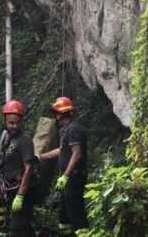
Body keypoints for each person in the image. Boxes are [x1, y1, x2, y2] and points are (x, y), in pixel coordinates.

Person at [38, 97, 89, 237]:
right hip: (68, 179)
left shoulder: (73, 129)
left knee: (75, 211)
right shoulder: (68, 130)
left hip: (73, 178)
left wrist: (66, 176)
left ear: (60, 114)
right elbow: (62, 151)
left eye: (55, 113)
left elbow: (77, 154)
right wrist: (41, 157)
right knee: (63, 213)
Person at [0, 100, 38, 237]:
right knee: (23, 228)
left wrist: (20, 195)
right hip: (9, 189)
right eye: (11, 123)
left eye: (18, 123)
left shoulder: (24, 139)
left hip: (22, 190)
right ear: (5, 120)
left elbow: (29, 168)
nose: (15, 126)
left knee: (16, 230)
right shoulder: (4, 136)